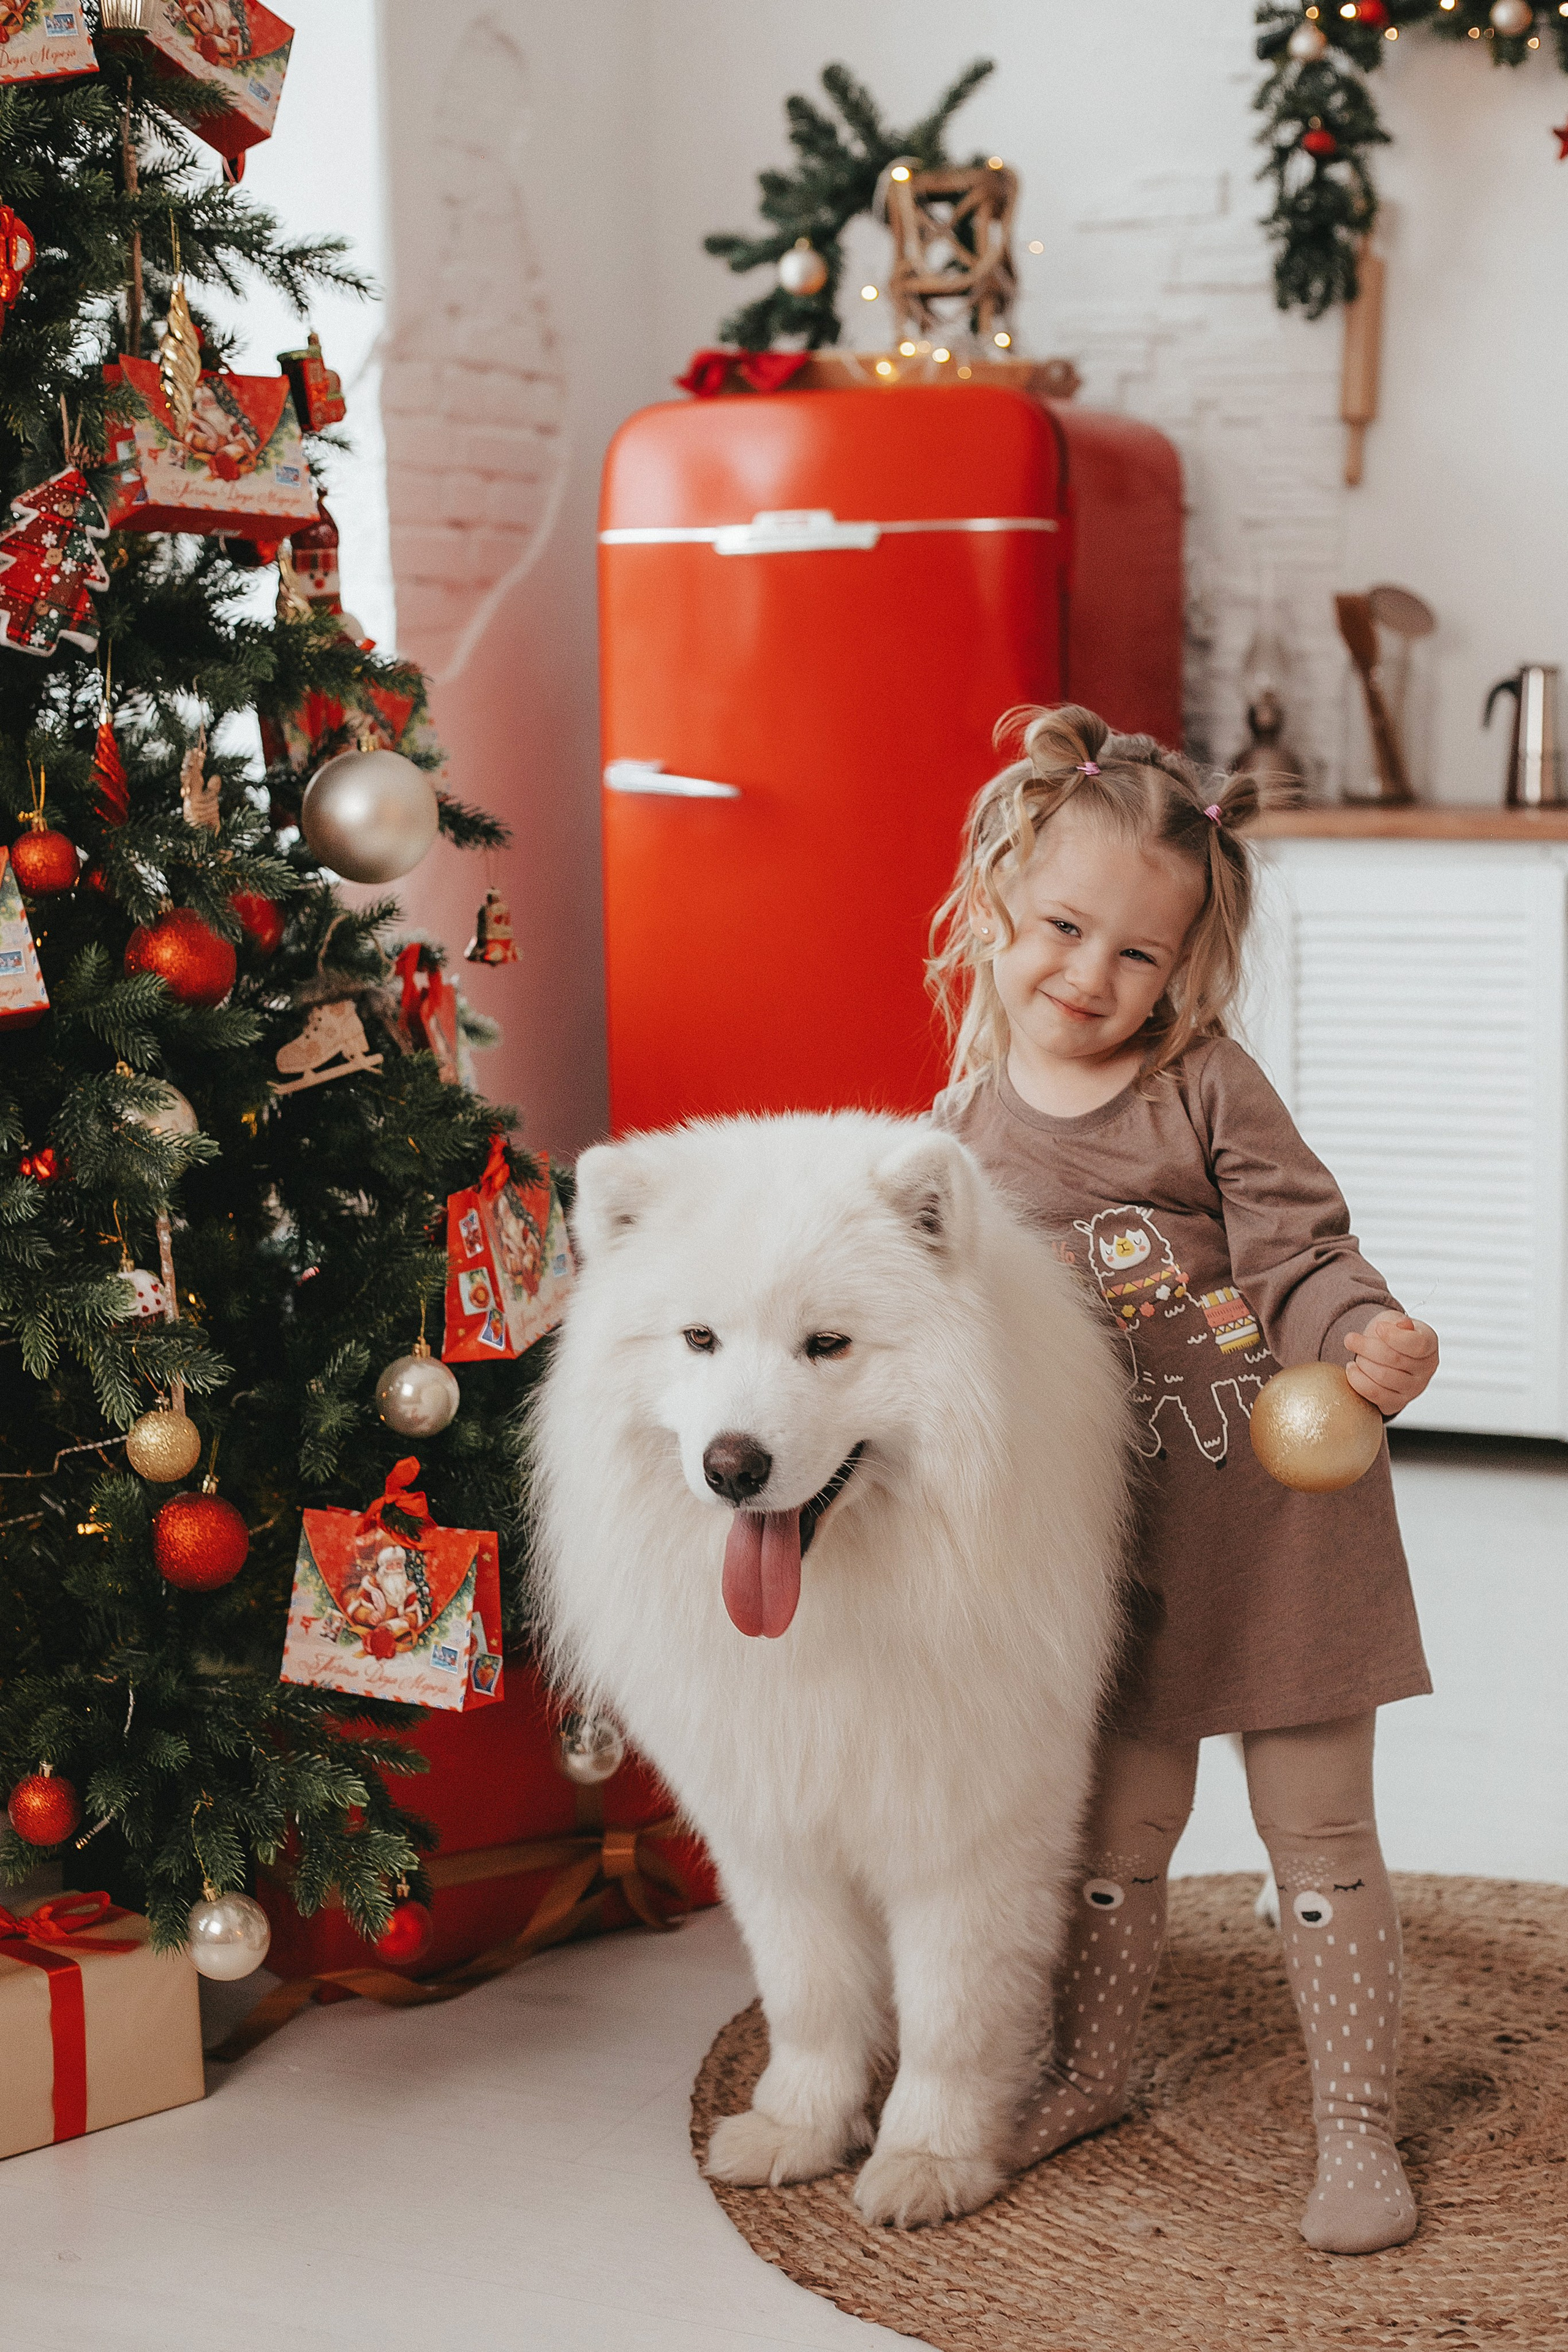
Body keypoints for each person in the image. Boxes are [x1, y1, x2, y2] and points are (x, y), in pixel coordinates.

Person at [927, 703, 1438, 2255]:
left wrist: (1361, 1333)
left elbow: (1299, 1244)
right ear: (996, 903)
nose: (1088, 977)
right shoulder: (957, 1136)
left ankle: (1354, 2125)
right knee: (1110, 1841)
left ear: (1185, 969)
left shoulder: (1205, 1087)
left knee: (1319, 1838)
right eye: (1062, 930)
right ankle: (1086, 2072)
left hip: (1280, 1523)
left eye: (1136, 954)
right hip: (1106, 1555)